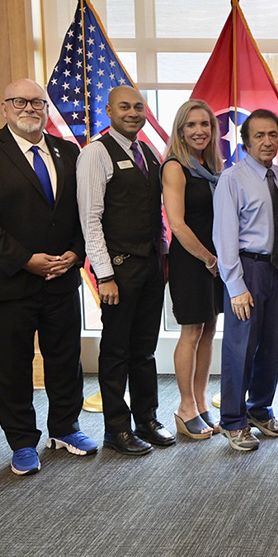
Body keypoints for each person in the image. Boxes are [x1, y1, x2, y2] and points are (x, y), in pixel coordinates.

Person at [0, 78, 93, 476]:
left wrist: (76, 252)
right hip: (4, 281)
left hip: (60, 280)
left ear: (47, 109)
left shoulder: (68, 152)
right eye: (20, 101)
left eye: (37, 102)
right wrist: (24, 259)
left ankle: (65, 428)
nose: (29, 108)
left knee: (65, 360)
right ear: (5, 107)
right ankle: (22, 442)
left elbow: (81, 213)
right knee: (10, 367)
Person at [77, 85, 173, 456]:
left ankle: (146, 418)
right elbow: (91, 219)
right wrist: (104, 275)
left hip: (150, 265)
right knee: (117, 350)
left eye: (138, 106)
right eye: (125, 107)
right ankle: (116, 428)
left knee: (145, 349)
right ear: (108, 110)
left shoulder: (147, 152)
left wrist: (162, 255)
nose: (133, 112)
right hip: (117, 270)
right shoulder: (94, 154)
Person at [213, 109, 278, 451]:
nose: (266, 141)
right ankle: (232, 420)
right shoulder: (232, 178)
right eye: (259, 135)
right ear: (246, 141)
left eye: (272, 135)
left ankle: (259, 409)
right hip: (247, 270)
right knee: (240, 349)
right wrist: (236, 286)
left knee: (272, 347)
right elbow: (224, 236)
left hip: (277, 272)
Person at [161, 99, 223, 440]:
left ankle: (200, 401)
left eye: (205, 124)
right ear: (181, 131)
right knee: (191, 331)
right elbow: (178, 225)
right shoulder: (175, 166)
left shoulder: (211, 166)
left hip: (214, 261)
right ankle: (185, 407)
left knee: (209, 331)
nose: (200, 131)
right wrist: (209, 259)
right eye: (192, 125)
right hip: (191, 261)